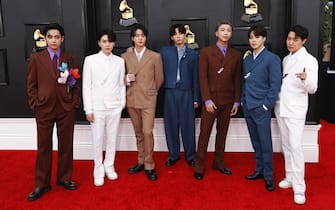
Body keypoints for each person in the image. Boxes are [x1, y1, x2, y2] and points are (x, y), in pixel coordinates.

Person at [26, 23, 80, 201]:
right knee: (43, 147)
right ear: (45, 38)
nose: (54, 40)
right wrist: (35, 103)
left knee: (66, 145)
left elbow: (76, 83)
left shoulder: (70, 58)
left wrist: (74, 102)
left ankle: (64, 178)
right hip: (44, 108)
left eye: (57, 37)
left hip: (66, 108)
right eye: (50, 37)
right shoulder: (36, 58)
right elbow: (31, 84)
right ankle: (41, 184)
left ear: (62, 39)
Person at [274, 25, 318, 204]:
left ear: (304, 41)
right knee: (286, 145)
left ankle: (300, 188)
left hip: (296, 110)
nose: (290, 43)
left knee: (296, 147)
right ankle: (290, 176)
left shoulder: (310, 60)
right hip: (281, 107)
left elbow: (313, 88)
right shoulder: (286, 59)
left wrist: (305, 78)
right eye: (289, 39)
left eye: (295, 40)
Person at [194, 20, 241, 180]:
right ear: (216, 33)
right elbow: (202, 77)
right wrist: (206, 100)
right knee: (204, 133)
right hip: (211, 101)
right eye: (222, 30)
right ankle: (199, 165)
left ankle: (219, 162)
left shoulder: (235, 54)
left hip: (228, 101)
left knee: (222, 133)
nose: (226, 32)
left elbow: (237, 79)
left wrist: (236, 101)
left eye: (228, 30)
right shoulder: (206, 52)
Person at [82, 29, 126, 187]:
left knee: (112, 139)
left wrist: (122, 103)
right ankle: (98, 169)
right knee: (98, 140)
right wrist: (89, 109)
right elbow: (86, 86)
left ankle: (109, 165)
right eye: (104, 41)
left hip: (114, 106)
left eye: (110, 41)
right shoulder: (90, 60)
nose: (107, 44)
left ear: (114, 43)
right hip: (97, 107)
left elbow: (121, 84)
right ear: (99, 43)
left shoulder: (119, 61)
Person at [241, 25, 281, 191]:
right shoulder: (248, 59)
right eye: (251, 37)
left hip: (261, 108)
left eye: (256, 37)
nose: (253, 40)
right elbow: (245, 81)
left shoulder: (272, 58)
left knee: (265, 143)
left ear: (264, 38)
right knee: (256, 142)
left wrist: (266, 105)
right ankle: (259, 170)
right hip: (248, 106)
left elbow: (275, 84)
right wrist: (243, 100)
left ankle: (269, 176)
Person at [121, 24, 164, 181]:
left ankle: (149, 164)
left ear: (146, 38)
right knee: (138, 132)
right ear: (132, 38)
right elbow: (119, 78)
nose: (140, 38)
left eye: (142, 36)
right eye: (137, 36)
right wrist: (126, 79)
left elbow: (159, 79)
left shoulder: (155, 57)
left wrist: (151, 91)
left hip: (148, 99)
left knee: (147, 131)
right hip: (131, 98)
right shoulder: (124, 57)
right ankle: (140, 161)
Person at [160, 24, 200, 167]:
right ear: (172, 37)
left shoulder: (193, 54)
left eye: (180, 34)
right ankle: (173, 155)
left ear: (185, 36)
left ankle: (190, 156)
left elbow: (196, 77)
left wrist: (196, 98)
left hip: (187, 92)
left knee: (188, 125)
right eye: (175, 34)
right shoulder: (164, 52)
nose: (178, 36)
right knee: (170, 125)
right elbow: (151, 60)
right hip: (170, 91)